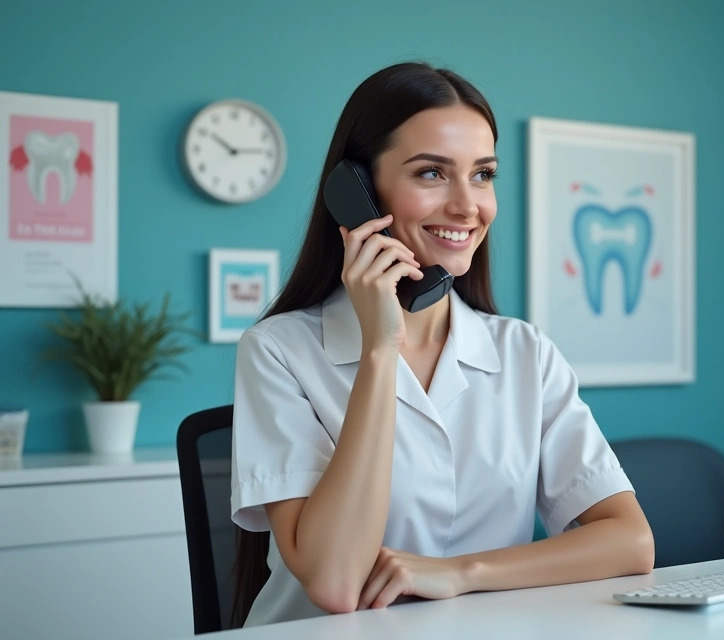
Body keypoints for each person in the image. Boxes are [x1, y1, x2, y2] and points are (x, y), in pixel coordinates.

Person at [228, 62, 654, 628]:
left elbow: (630, 542)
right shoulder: (279, 351)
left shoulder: (524, 352)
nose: (467, 205)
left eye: (483, 174)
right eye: (431, 173)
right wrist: (380, 348)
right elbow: (334, 583)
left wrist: (459, 573)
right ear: (354, 190)